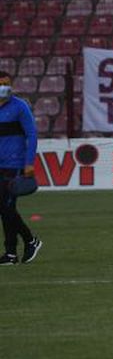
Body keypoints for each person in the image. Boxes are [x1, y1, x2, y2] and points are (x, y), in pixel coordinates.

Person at [0, 71, 41, 265]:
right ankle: (17, 249)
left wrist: (29, 163)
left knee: (6, 208)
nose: (4, 87)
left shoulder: (19, 107)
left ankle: (18, 247)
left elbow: (31, 135)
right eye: (1, 84)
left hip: (13, 166)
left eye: (7, 84)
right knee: (5, 209)